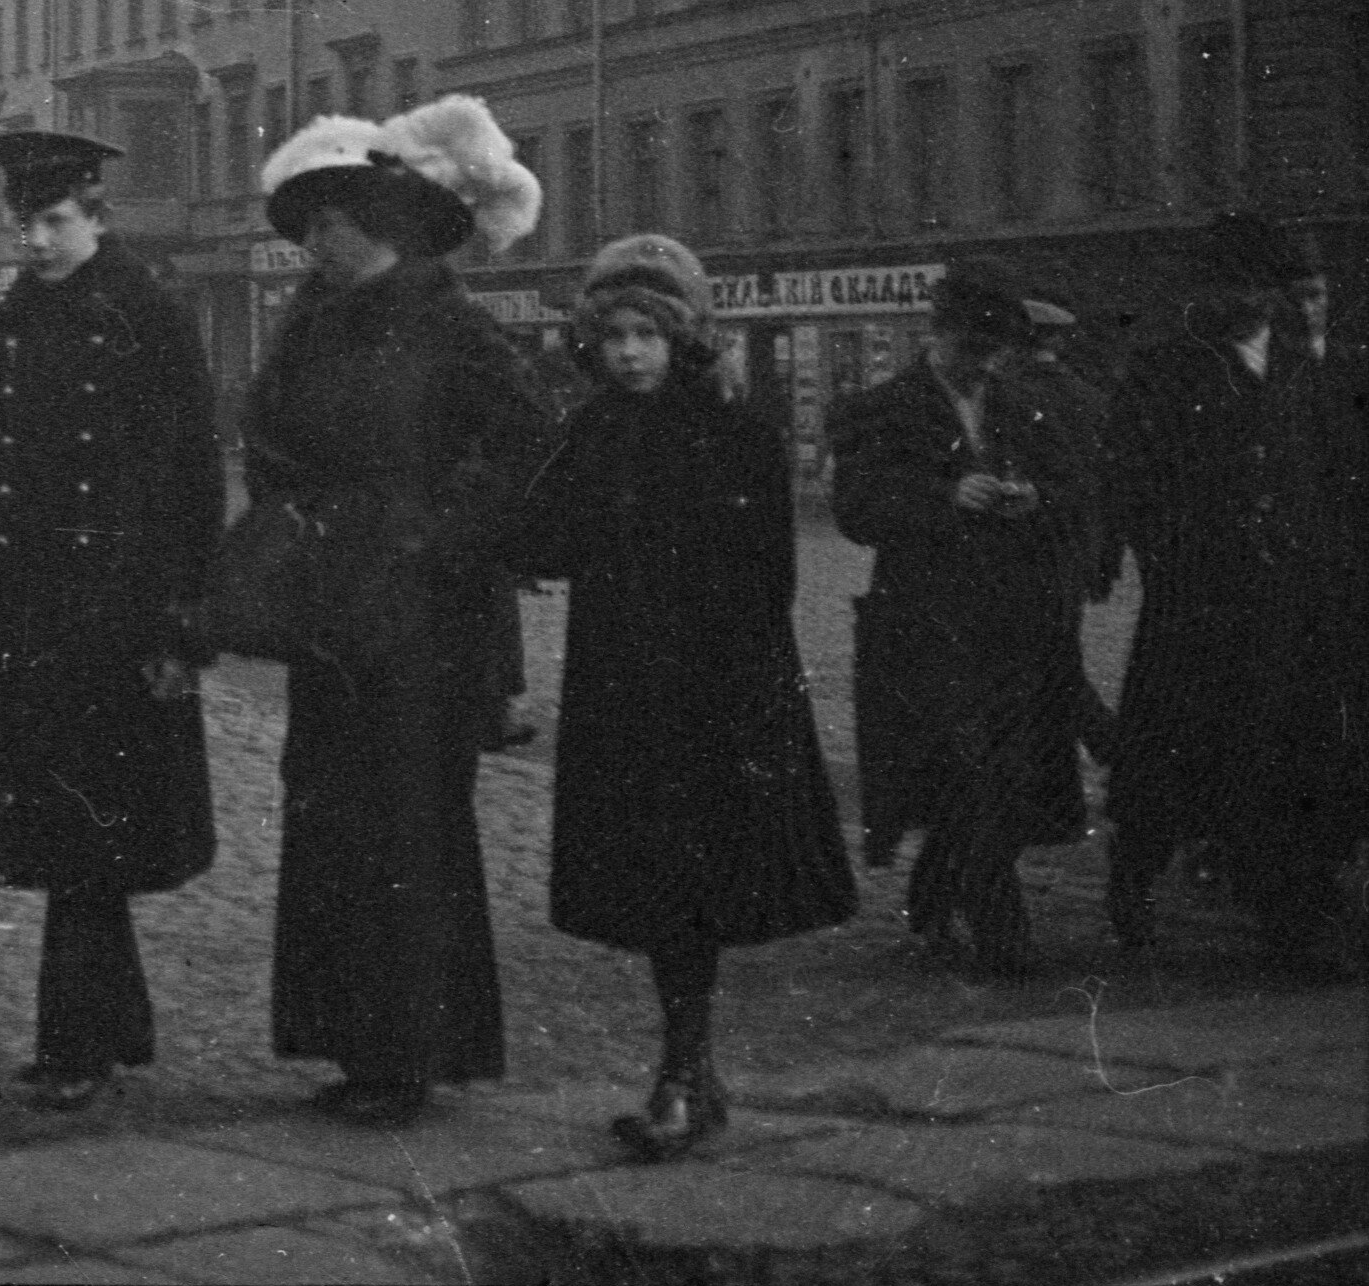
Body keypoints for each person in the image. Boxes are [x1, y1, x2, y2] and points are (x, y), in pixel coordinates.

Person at [510, 235, 854, 1161]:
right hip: (622, 687)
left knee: (693, 890)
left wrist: (745, 692)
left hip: (714, 687)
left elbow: (768, 578)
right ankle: (688, 1073)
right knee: (660, 889)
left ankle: (681, 1073)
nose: (627, 352)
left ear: (682, 340)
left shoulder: (738, 436)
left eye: (646, 335)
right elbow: (541, 543)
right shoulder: (588, 431)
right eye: (613, 335)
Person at [246, 100, 552, 1125]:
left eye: (321, 226)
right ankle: (349, 1041)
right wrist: (295, 531)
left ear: (366, 223)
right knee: (329, 824)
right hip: (330, 619)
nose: (308, 245)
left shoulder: (449, 324)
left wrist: (438, 538)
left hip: (424, 627)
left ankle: (409, 1054)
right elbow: (271, 446)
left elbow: (523, 447)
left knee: (407, 835)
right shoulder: (309, 326)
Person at [0, 128, 221, 1112]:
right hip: (34, 612)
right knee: (69, 839)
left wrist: (179, 621)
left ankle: (77, 1039)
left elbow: (193, 474)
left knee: (90, 837)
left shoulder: (146, 313)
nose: (34, 240)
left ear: (96, 216)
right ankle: (98, 1028)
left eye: (53, 221)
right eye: (23, 222)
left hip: (119, 616)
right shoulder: (13, 320)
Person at [1100, 215, 1367, 976]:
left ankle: (1289, 919)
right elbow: (1129, 477)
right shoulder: (1164, 371)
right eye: (1229, 288)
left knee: (1287, 763)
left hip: (1294, 608)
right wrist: (1169, 556)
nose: (1243, 302)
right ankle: (1132, 879)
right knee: (1169, 759)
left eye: (1256, 289)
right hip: (1198, 607)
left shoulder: (1303, 369)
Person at [829, 259, 1087, 978]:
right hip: (924, 626)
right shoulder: (881, 408)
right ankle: (1003, 932)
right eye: (970, 349)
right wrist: (945, 498)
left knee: (998, 774)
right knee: (969, 769)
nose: (982, 365)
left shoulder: (1017, 405)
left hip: (1012, 624)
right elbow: (857, 507)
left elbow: (1073, 490)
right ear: (935, 336)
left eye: (994, 351)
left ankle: (934, 890)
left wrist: (1032, 496)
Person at [1021, 297, 1121, 765]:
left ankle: (1112, 744)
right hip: (1078, 546)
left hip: (1026, 543)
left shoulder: (1009, 394)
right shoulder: (1089, 396)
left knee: (1048, 661)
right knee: (1056, 652)